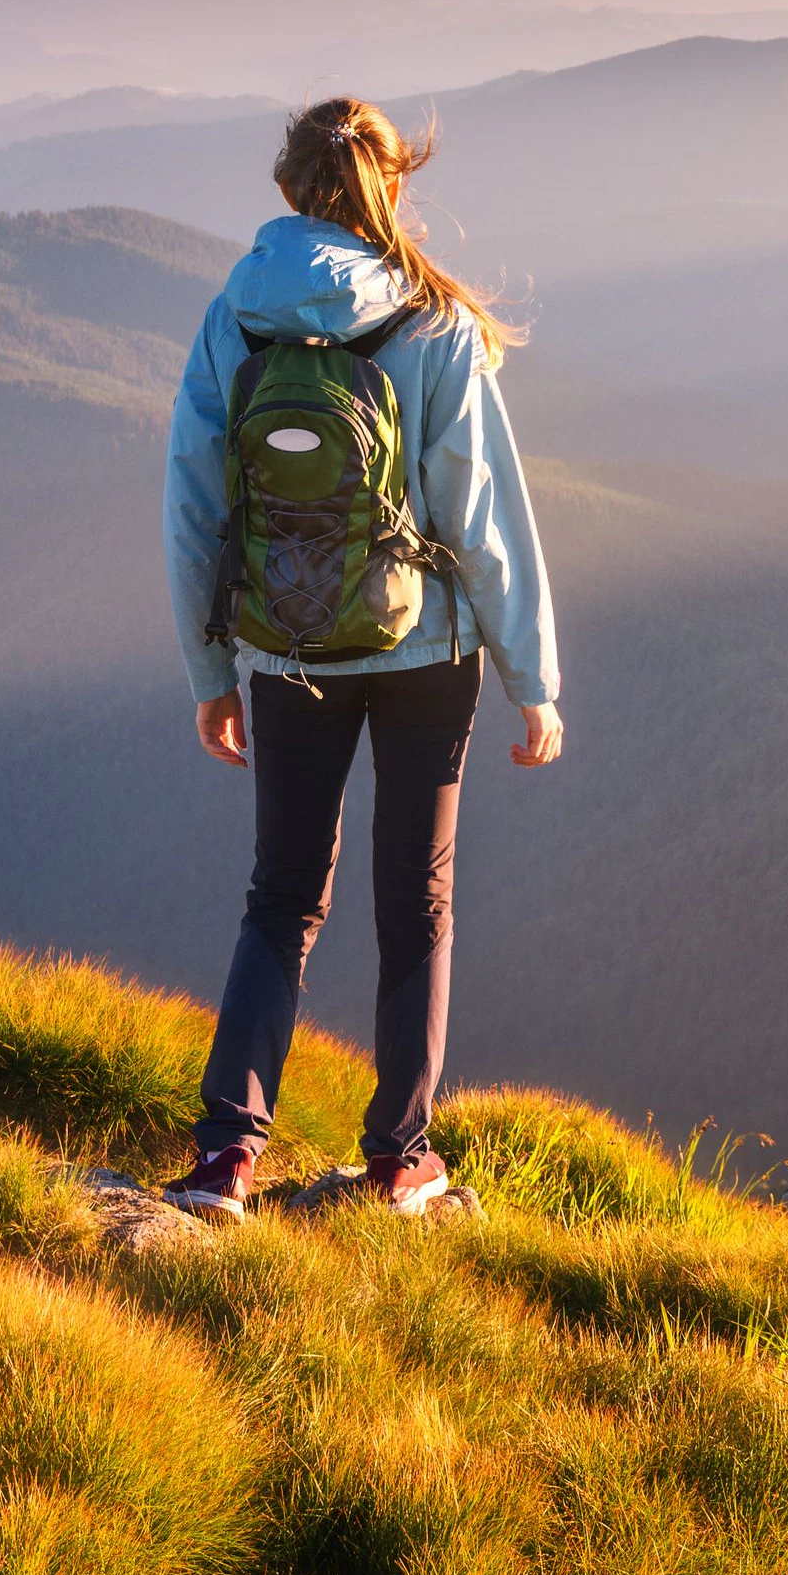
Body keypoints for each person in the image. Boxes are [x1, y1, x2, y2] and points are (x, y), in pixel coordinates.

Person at [160, 97, 562, 1220]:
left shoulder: (230, 321)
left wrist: (208, 673)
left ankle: (224, 1159)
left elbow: (193, 507)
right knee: (414, 904)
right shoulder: (432, 327)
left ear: (287, 190)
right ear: (393, 184)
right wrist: (534, 682)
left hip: (286, 649)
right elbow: (483, 521)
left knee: (280, 897)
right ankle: (400, 1159)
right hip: (427, 650)